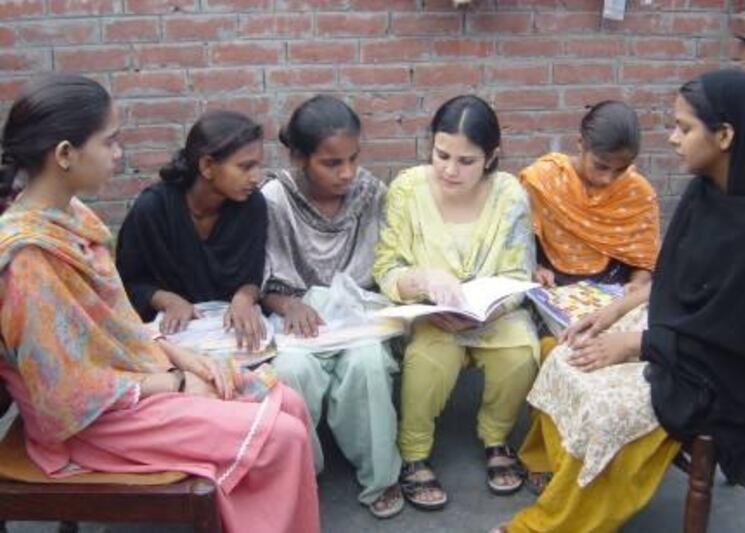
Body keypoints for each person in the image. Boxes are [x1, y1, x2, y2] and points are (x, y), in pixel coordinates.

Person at [0, 74, 319, 533]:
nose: (118, 154)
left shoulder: (74, 218)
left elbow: (117, 325)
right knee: (282, 438)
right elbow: (66, 397)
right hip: (93, 422)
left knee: (287, 401)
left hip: (133, 377)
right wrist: (176, 382)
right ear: (66, 154)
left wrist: (183, 356)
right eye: (109, 142)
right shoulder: (29, 259)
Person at [494, 69, 745, 533]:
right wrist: (615, 310)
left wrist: (634, 344)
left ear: (724, 135)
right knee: (564, 354)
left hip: (721, 369)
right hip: (677, 332)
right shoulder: (707, 191)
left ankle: (551, 524)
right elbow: (676, 279)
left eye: (684, 127)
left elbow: (735, 337)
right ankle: (560, 474)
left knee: (608, 410)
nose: (673, 139)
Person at [373, 95, 539, 510]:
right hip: (433, 315)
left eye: (466, 161)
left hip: (494, 313)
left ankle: (496, 439)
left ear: (491, 157)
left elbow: (519, 276)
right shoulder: (408, 188)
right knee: (427, 360)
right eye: (441, 154)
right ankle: (413, 455)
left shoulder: (510, 195)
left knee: (521, 352)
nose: (449, 169)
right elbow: (386, 267)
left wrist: (486, 309)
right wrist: (423, 279)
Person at [261, 95, 403, 519]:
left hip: (359, 316)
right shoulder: (275, 199)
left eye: (353, 159)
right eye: (331, 163)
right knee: (290, 372)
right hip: (297, 317)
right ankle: (303, 473)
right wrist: (289, 303)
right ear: (299, 158)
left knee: (367, 365)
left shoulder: (370, 193)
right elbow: (265, 277)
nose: (347, 173)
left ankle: (380, 477)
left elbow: (383, 266)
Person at [116, 111, 267, 351]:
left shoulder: (253, 206)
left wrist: (244, 299)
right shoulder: (153, 209)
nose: (255, 177)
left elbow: (254, 275)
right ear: (207, 166)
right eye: (245, 167)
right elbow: (127, 283)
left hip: (231, 335)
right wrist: (168, 301)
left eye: (258, 166)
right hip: (172, 340)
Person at [519, 101, 659, 291]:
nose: (607, 179)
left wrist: (636, 285)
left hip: (615, 294)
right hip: (552, 288)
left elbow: (644, 261)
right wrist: (536, 269)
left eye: (621, 170)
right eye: (601, 166)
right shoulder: (543, 181)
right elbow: (519, 248)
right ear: (580, 144)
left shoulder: (637, 194)